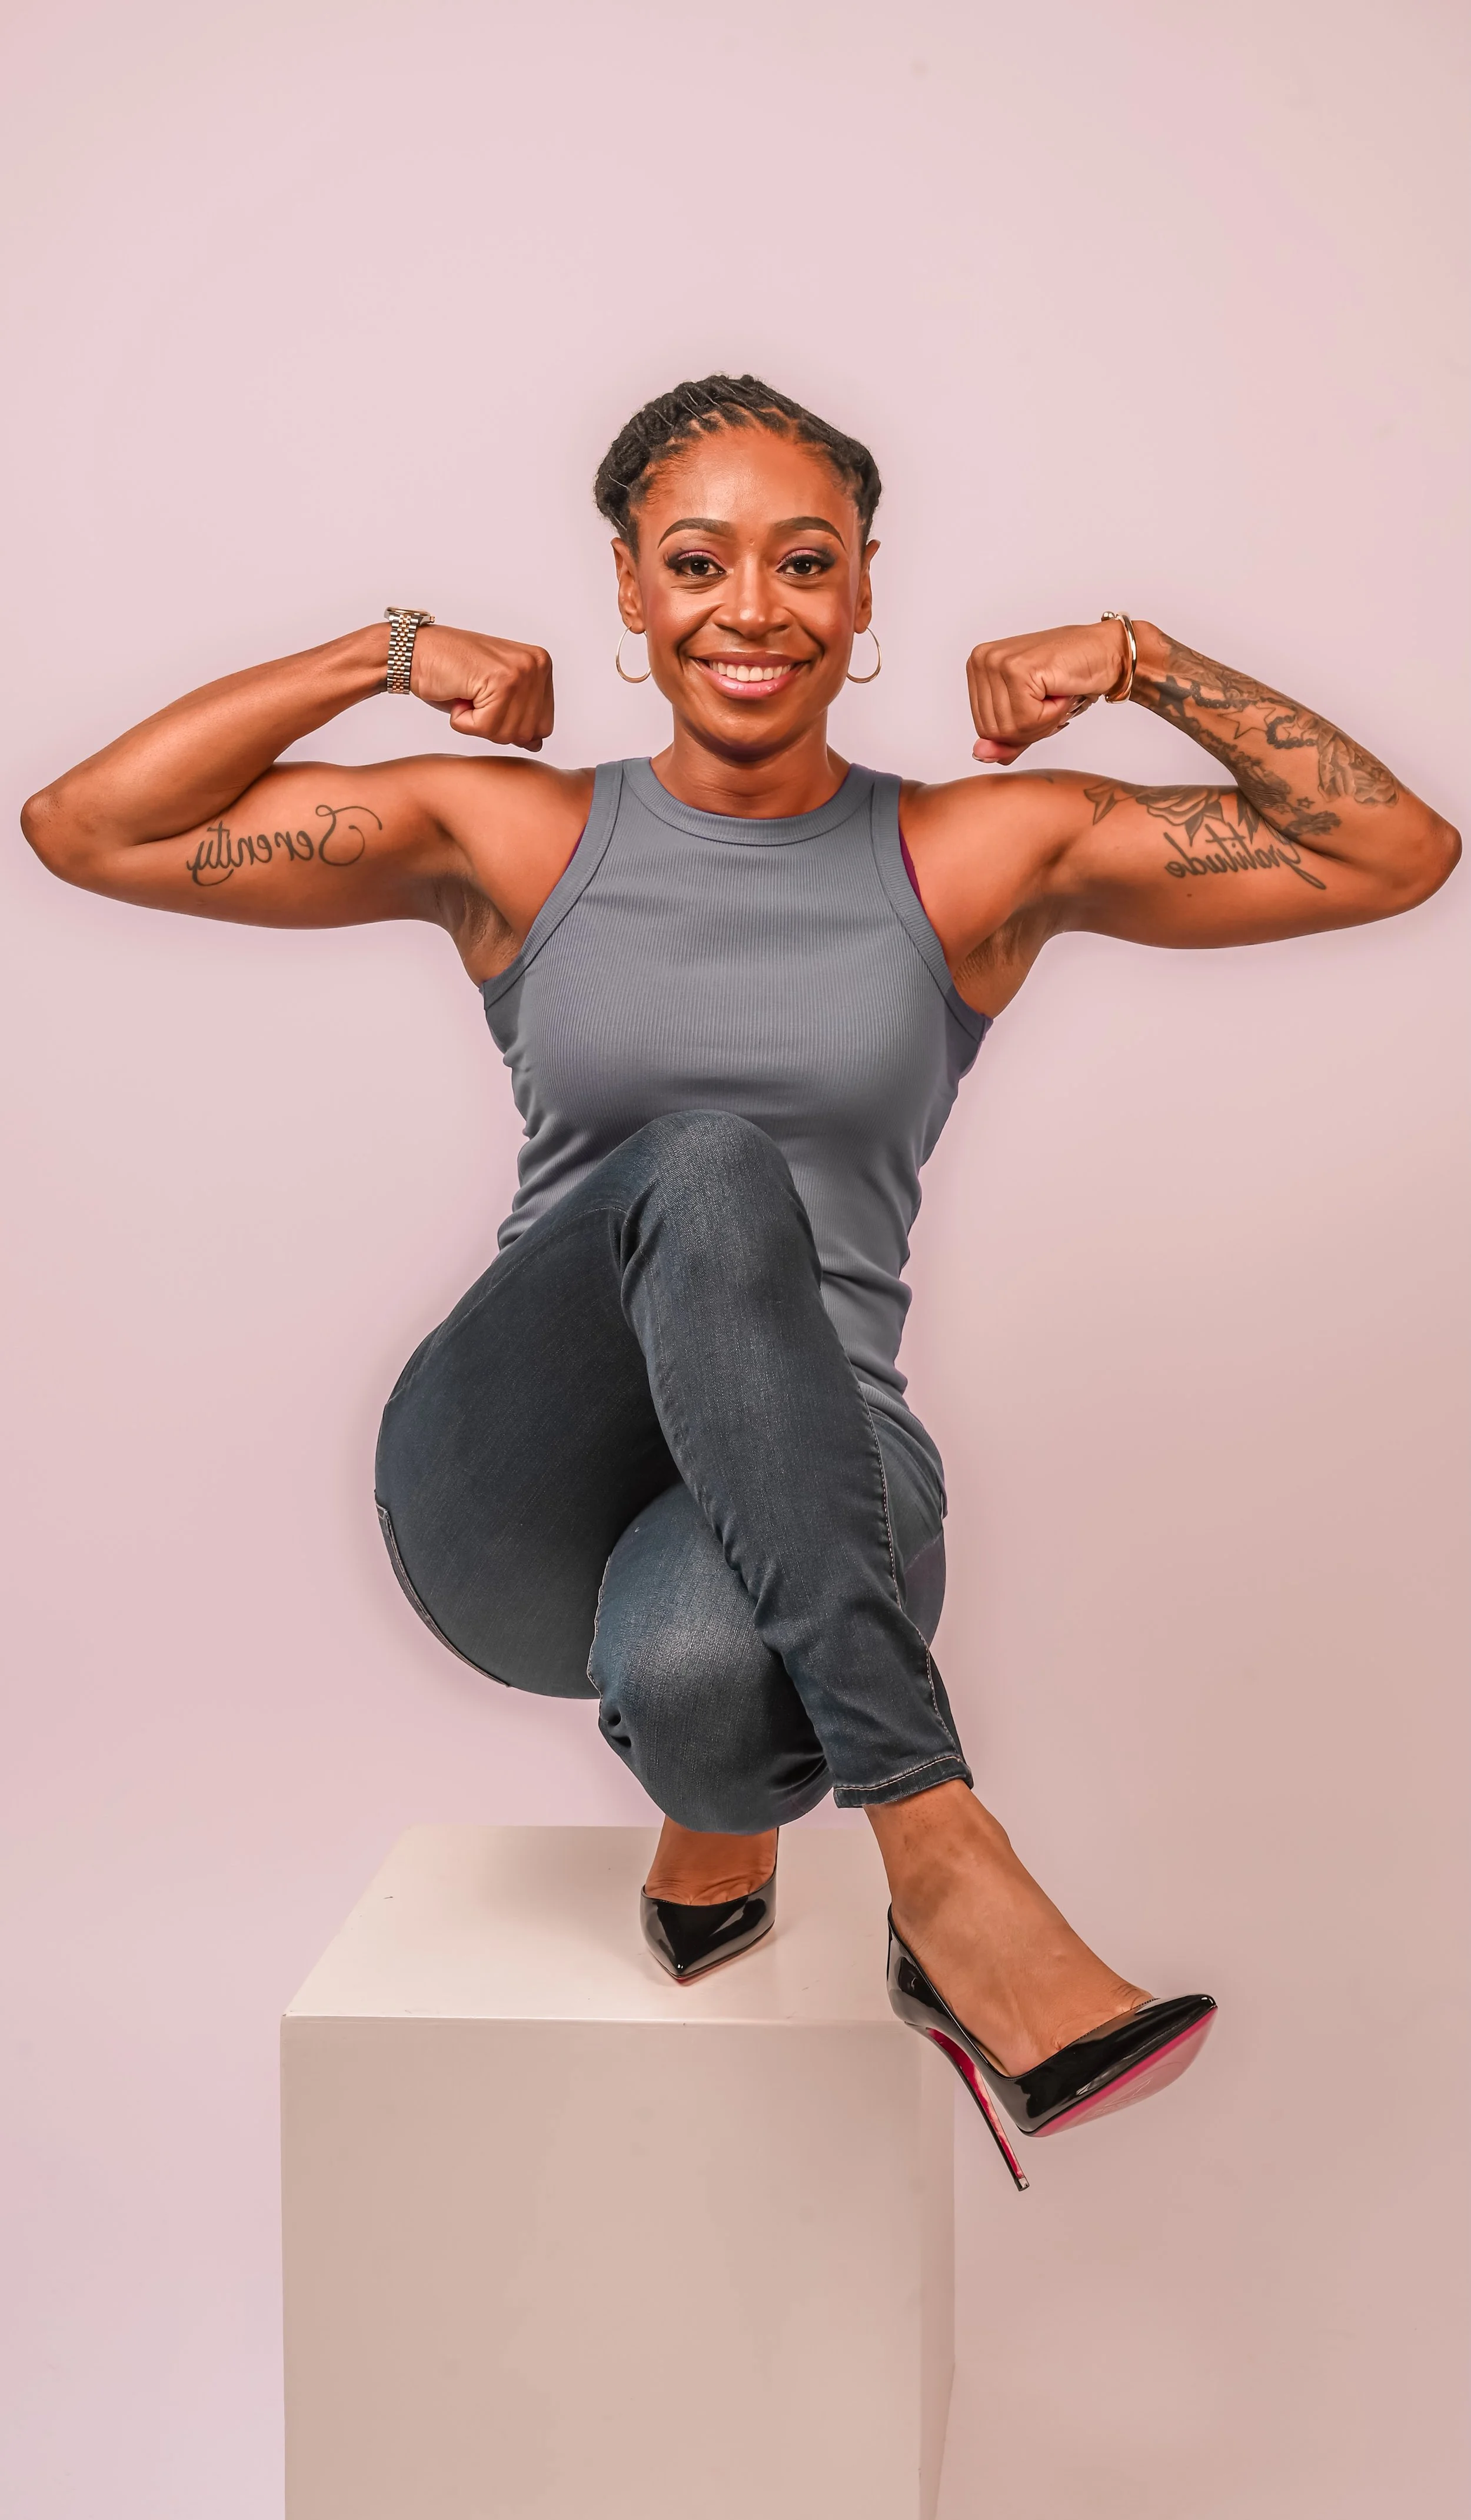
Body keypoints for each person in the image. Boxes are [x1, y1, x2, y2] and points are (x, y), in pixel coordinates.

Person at [22, 374, 1458, 2188]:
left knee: (710, 1697)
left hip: (824, 1464)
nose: (752, 610)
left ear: (864, 592)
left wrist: (1136, 660)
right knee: (703, 1162)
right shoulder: (518, 836)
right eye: (696, 564)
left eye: (805, 561)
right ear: (628, 593)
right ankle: (940, 1852)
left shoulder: (968, 856)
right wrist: (382, 653)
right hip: (527, 1478)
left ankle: (728, 1818)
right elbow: (87, 827)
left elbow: (1391, 853)